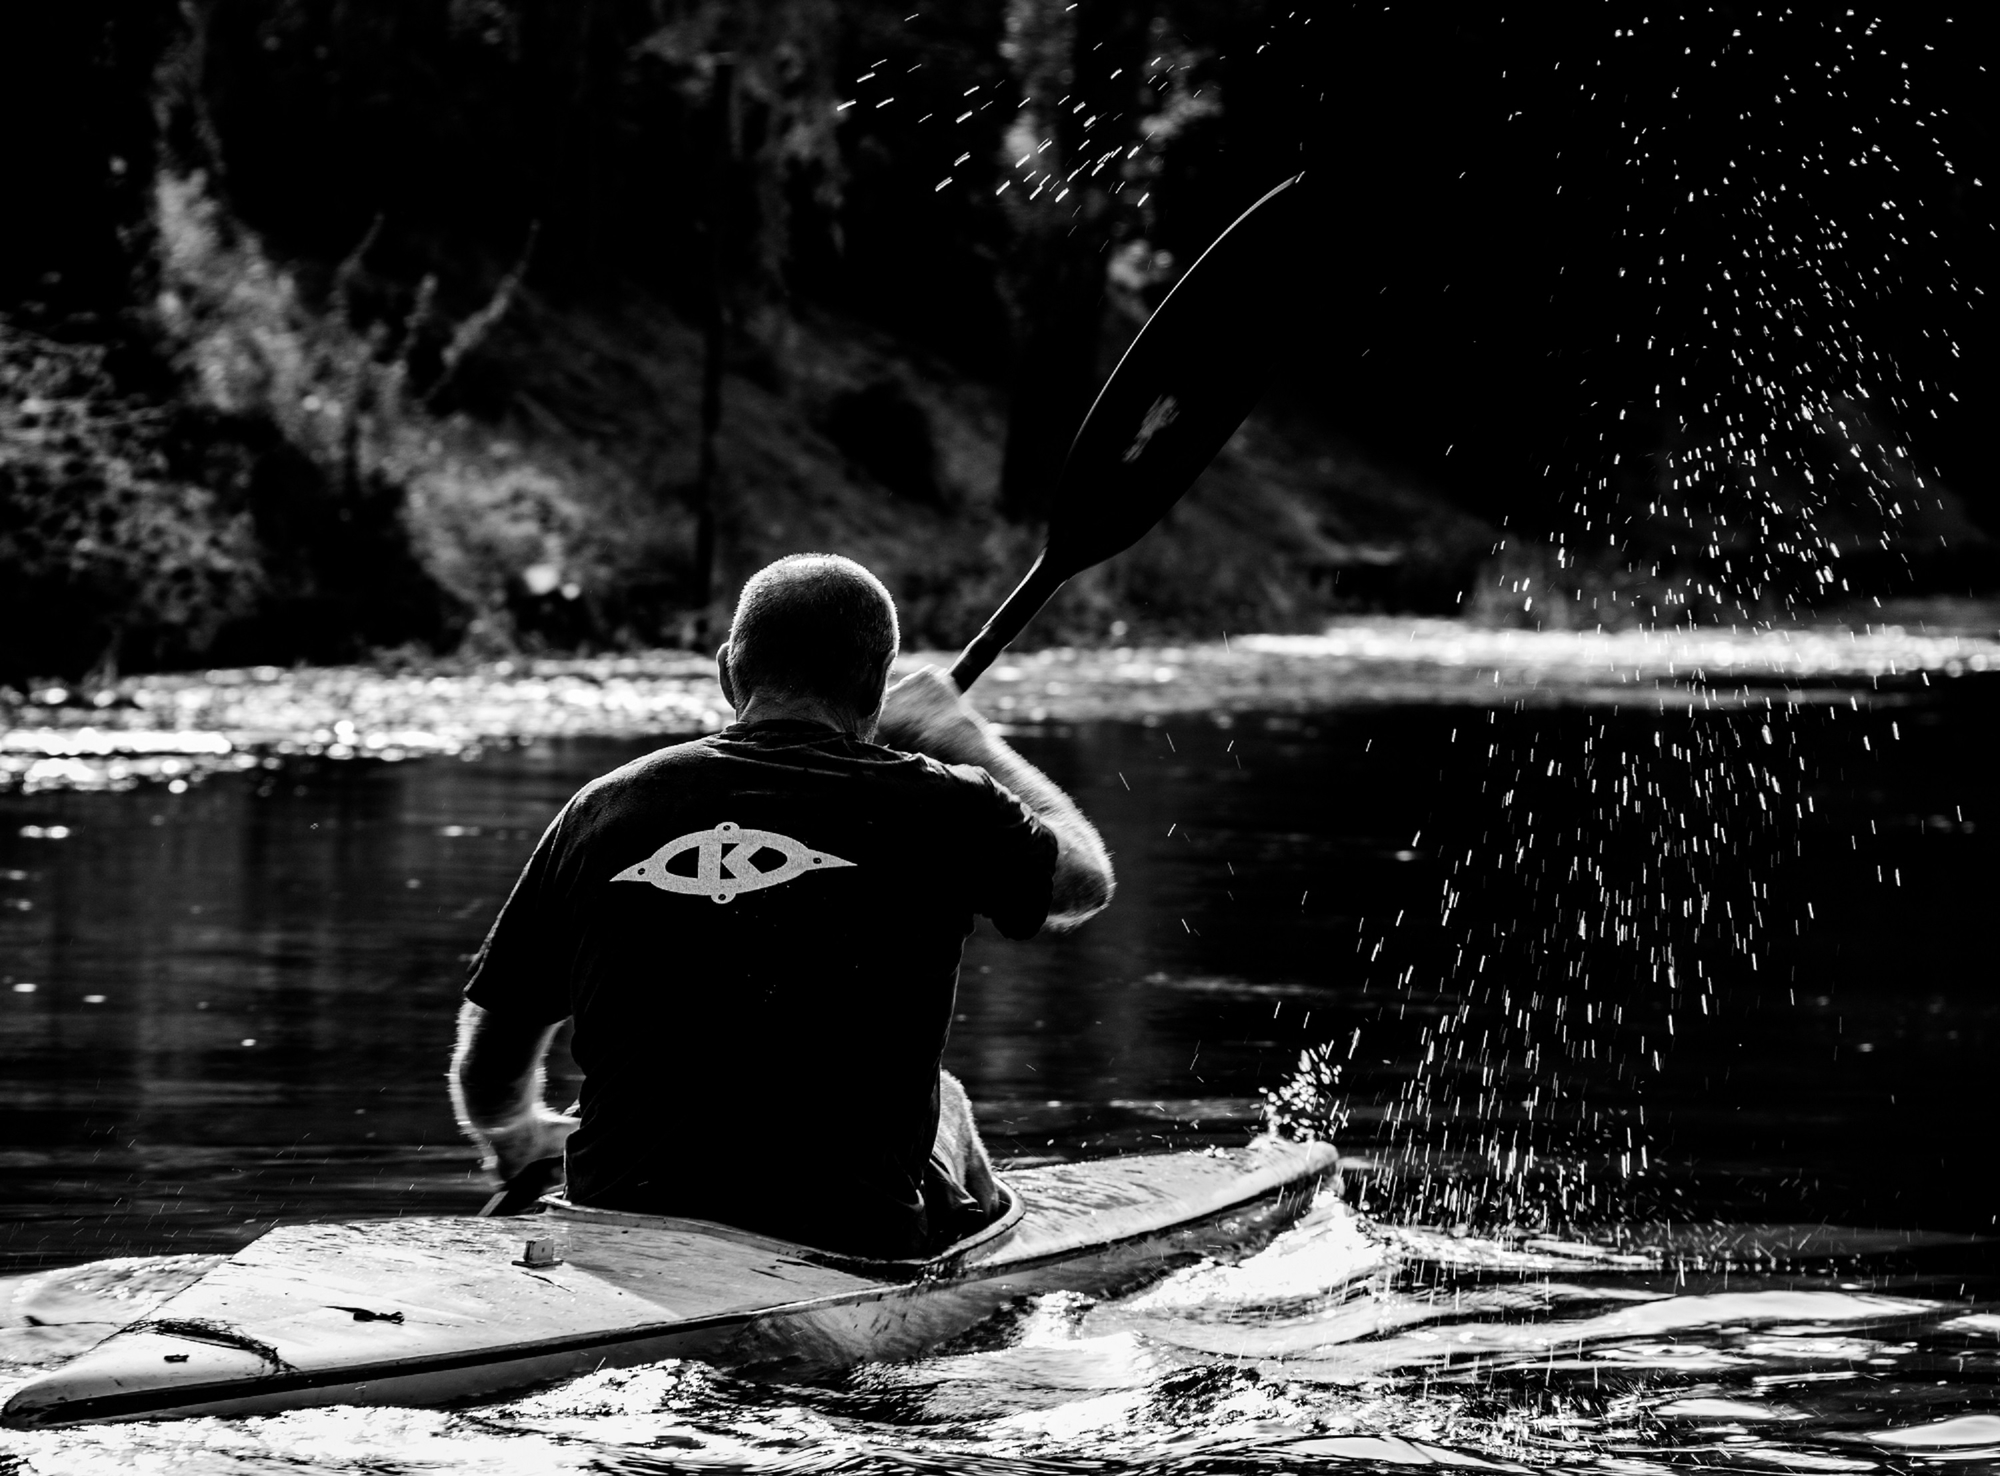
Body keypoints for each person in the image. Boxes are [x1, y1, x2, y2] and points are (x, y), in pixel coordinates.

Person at [449, 553, 1115, 1258]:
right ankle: (985, 1257)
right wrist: (965, 739)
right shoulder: (944, 804)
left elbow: (489, 1065)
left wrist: (518, 1131)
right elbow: (1086, 881)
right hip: (842, 1234)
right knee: (941, 1097)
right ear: (874, 689)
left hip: (615, 1215)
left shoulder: (599, 811)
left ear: (728, 671)